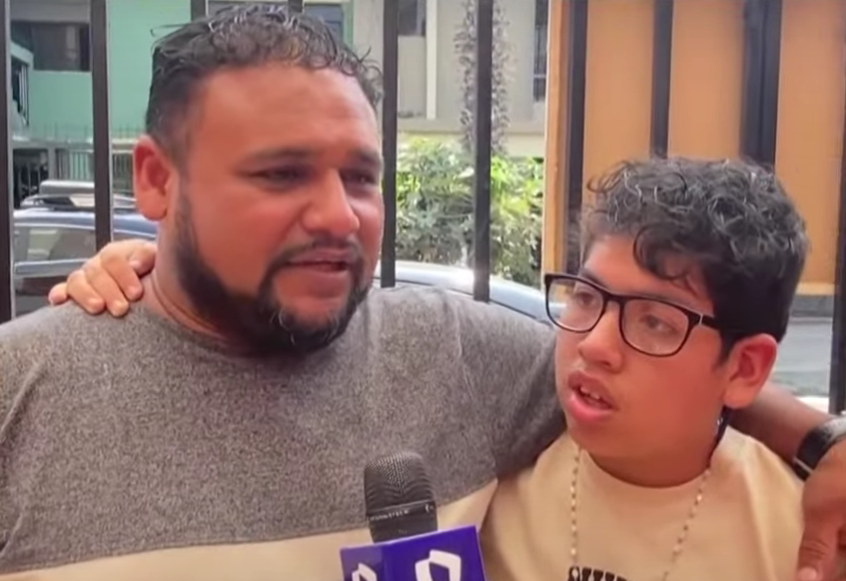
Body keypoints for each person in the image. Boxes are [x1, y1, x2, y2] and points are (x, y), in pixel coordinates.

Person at [22, 6, 846, 581]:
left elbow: (666, 377)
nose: (338, 214)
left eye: (361, 176)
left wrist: (823, 441)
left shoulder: (459, 357)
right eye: (280, 173)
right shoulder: (21, 392)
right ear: (157, 180)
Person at [481, 158, 845, 581]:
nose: (595, 345)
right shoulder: (488, 476)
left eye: (655, 322)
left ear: (744, 369)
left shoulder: (802, 537)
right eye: (586, 296)